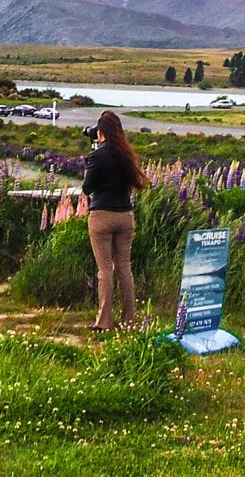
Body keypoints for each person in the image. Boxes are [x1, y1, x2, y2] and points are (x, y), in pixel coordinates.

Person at [80, 110, 148, 330]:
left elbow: (87, 188)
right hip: (125, 216)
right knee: (124, 267)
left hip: (102, 216)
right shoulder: (126, 154)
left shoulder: (98, 156)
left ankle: (104, 322)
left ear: (101, 132)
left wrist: (89, 161)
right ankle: (129, 320)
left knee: (105, 269)